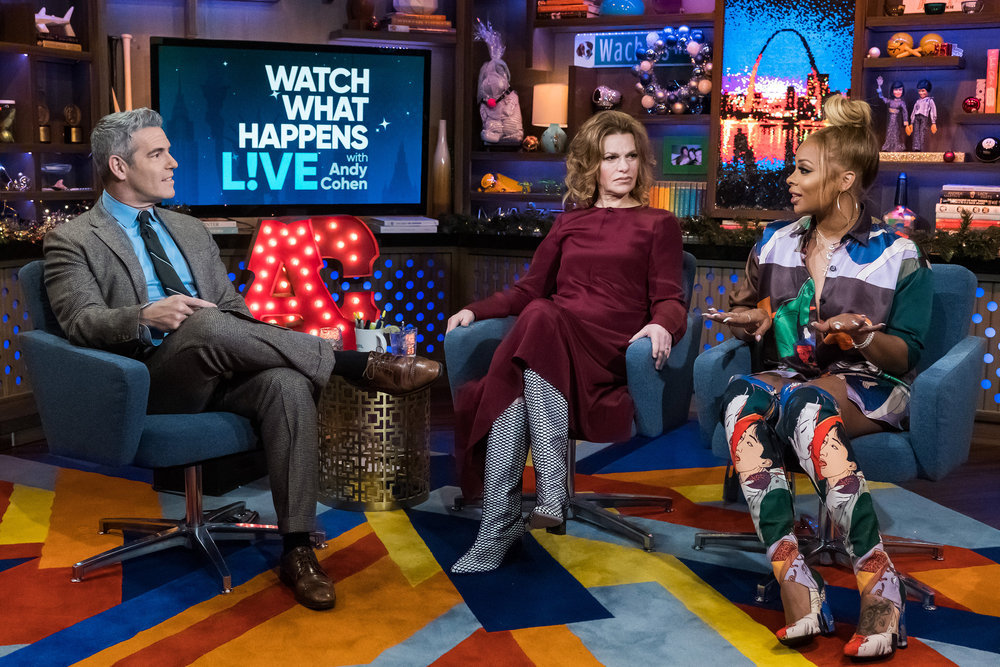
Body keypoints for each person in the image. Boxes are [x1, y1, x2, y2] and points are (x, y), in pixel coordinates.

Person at [42, 108, 442, 611]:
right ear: (119, 167)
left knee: (286, 384)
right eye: (157, 153)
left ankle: (297, 550)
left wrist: (228, 328)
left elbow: (234, 311)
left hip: (222, 366)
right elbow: (80, 321)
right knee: (203, 324)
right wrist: (146, 314)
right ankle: (354, 366)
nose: (174, 163)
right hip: (148, 378)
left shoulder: (188, 230)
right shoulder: (73, 238)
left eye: (169, 150)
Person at [704, 95, 931, 660]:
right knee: (739, 400)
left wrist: (860, 337)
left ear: (844, 179)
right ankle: (795, 580)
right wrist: (750, 322)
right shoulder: (774, 242)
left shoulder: (898, 254)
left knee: (806, 404)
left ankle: (881, 590)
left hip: (870, 383)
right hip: (792, 374)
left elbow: (905, 356)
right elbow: (752, 314)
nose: (789, 178)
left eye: (803, 169)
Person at [446, 110, 688, 574]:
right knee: (531, 341)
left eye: (631, 156)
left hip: (609, 347)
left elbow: (670, 298)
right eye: (611, 157)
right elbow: (527, 290)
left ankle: (526, 509)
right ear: (590, 166)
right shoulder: (567, 223)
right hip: (554, 339)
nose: (624, 167)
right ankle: (503, 527)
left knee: (535, 329)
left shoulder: (659, 223)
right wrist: (476, 310)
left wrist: (664, 325)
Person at [875, 76, 908, 152]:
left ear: (903, 91)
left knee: (896, 133)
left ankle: (897, 147)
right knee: (890, 132)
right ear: (892, 91)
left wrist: (906, 123)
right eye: (896, 90)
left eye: (900, 90)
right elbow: (881, 97)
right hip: (890, 121)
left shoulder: (902, 102)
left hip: (897, 121)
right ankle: (888, 146)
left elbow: (905, 112)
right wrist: (879, 86)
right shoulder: (890, 101)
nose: (898, 92)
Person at [907, 79, 937, 151]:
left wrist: (933, 122)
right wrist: (911, 122)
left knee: (922, 132)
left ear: (927, 91)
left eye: (923, 90)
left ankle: (922, 148)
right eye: (919, 91)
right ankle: (916, 148)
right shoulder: (918, 101)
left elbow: (933, 111)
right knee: (916, 132)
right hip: (917, 117)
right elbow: (914, 111)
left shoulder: (930, 100)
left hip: (924, 117)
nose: (921, 92)